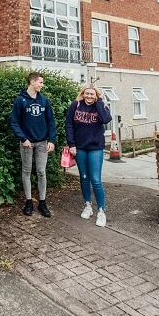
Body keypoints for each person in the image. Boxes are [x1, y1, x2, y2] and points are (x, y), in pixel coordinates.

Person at [65, 85, 112, 227]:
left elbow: (106, 119)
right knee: (84, 178)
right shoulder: (76, 105)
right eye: (87, 94)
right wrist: (71, 144)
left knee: (96, 179)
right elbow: (69, 125)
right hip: (79, 147)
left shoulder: (100, 106)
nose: (89, 96)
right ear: (83, 94)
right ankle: (88, 205)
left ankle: (101, 211)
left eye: (92, 94)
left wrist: (99, 101)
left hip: (95, 147)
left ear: (96, 96)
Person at [10, 72, 56, 217]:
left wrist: (52, 140)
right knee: (26, 172)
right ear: (32, 82)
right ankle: (28, 201)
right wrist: (23, 138)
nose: (42, 85)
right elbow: (14, 122)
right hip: (27, 143)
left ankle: (42, 202)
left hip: (42, 142)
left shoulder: (44, 101)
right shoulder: (20, 101)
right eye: (40, 82)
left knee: (42, 172)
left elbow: (51, 121)